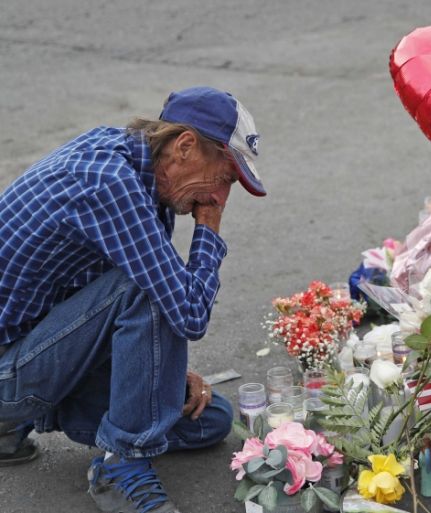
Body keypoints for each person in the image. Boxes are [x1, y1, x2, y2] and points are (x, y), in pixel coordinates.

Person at [0, 86, 265, 513]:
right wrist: (209, 228)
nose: (219, 197)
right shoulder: (110, 183)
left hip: (38, 345)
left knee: (210, 418)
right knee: (144, 289)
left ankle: (15, 425)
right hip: (9, 370)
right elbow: (186, 313)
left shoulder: (144, 174)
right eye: (226, 177)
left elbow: (108, 301)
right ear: (185, 146)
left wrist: (162, 370)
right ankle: (121, 466)